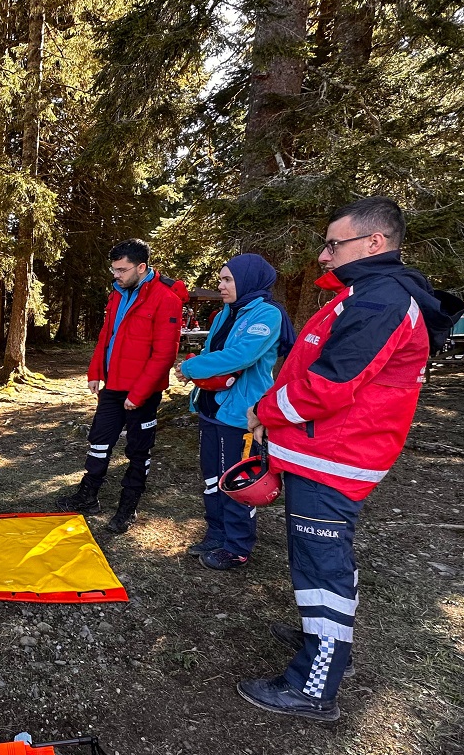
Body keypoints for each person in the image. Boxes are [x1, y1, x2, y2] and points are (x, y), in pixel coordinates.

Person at [241, 196, 460, 722]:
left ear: (375, 242)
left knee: (323, 566)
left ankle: (314, 685)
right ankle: (323, 638)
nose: (323, 255)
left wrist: (265, 411)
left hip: (336, 455)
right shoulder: (366, 293)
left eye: (334, 244)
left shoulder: (380, 300)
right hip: (323, 450)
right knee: (314, 561)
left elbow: (330, 383)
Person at [57, 239, 189, 534]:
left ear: (141, 267)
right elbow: (107, 334)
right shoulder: (117, 294)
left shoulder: (166, 299)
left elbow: (164, 353)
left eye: (122, 269)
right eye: (113, 269)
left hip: (142, 393)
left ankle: (127, 508)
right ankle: (88, 495)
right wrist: (95, 371)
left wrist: (139, 394)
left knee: (138, 451)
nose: (116, 275)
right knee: (99, 440)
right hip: (113, 386)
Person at [176, 254, 294, 570]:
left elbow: (238, 357)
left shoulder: (267, 315)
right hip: (211, 408)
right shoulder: (225, 313)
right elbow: (211, 352)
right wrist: (198, 370)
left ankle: (237, 546)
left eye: (228, 280)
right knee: (212, 477)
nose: (221, 285)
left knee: (237, 480)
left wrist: (189, 367)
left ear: (247, 281)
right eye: (220, 279)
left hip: (241, 415)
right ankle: (216, 533)